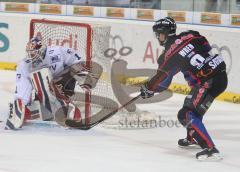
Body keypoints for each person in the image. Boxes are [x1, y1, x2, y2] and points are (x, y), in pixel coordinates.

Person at [140, 17, 227, 161]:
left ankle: (210, 149)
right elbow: (206, 46)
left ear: (163, 34)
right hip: (221, 76)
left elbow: (162, 83)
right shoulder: (191, 34)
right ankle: (192, 138)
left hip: (208, 81)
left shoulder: (166, 57)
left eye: (158, 34)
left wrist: (149, 89)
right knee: (191, 107)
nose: (158, 37)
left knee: (185, 114)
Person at [5, 36, 96, 129]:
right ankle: (60, 112)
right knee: (39, 83)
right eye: (30, 53)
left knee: (40, 74)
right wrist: (21, 103)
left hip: (64, 86)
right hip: (48, 93)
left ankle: (64, 110)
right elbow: (23, 85)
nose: (31, 56)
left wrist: (83, 76)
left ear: (41, 49)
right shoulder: (25, 64)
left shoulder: (57, 52)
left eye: (34, 53)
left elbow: (75, 59)